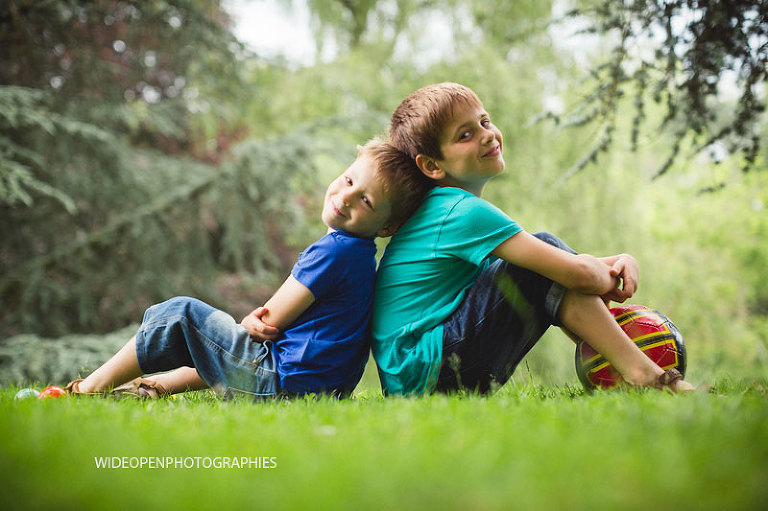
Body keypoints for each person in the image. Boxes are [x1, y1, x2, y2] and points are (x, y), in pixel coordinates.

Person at [371, 82, 695, 396]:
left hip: (418, 375)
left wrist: (614, 264)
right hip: (432, 369)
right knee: (543, 255)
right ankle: (644, 374)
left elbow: (565, 268)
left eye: (484, 121)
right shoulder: (461, 212)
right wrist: (609, 274)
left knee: (539, 263)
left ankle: (618, 361)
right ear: (431, 165)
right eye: (465, 135)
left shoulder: (442, 209)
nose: (487, 135)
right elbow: (575, 273)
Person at [66, 138, 432, 399]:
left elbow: (269, 321)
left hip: (283, 383)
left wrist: (252, 322)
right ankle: (156, 386)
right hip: (317, 388)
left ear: (386, 227)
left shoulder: (336, 251)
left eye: (365, 200)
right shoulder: (361, 256)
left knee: (180, 313)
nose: (346, 196)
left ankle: (87, 389)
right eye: (349, 180)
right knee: (219, 341)